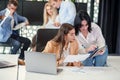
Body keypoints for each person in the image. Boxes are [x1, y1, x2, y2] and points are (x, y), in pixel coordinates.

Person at [0, 0, 31, 65]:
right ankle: (11, 57)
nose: (13, 10)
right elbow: (3, 25)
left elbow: (22, 18)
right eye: (12, 8)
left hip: (14, 35)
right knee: (17, 44)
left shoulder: (15, 14)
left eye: (15, 9)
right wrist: (8, 17)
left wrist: (26, 20)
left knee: (28, 41)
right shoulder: (2, 14)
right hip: (5, 36)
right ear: (8, 6)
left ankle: (21, 58)